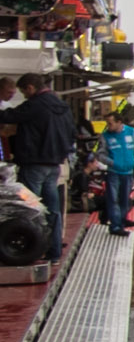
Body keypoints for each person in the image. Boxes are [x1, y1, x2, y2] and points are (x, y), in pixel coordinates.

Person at [0, 73, 74, 262]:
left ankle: (31, 250)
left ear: (30, 88)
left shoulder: (35, 104)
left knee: (29, 210)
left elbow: (10, 116)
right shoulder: (63, 106)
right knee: (52, 210)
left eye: (24, 92)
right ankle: (54, 252)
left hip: (34, 163)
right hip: (54, 165)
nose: (24, 96)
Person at [99, 111, 134, 236]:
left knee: (125, 199)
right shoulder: (105, 135)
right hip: (114, 172)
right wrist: (112, 163)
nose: (108, 126)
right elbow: (99, 154)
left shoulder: (132, 132)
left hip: (128, 172)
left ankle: (121, 222)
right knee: (113, 199)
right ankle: (116, 226)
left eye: (110, 123)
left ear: (119, 122)